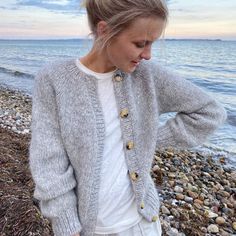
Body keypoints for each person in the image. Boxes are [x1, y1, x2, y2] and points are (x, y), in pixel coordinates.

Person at [29, 0, 227, 236]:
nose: (148, 55)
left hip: (142, 225)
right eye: (140, 44)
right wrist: (66, 224)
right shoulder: (54, 79)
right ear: (104, 31)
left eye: (151, 44)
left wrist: (149, 137)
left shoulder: (147, 77)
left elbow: (210, 112)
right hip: (89, 229)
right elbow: (49, 161)